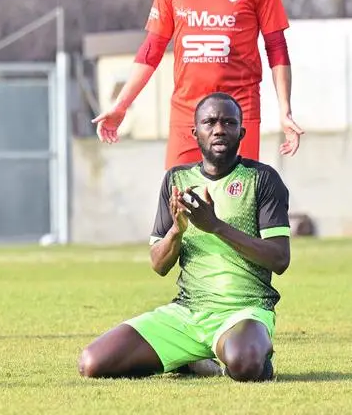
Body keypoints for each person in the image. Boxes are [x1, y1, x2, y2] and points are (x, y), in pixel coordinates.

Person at [78, 92, 291, 382]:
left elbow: (279, 259)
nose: (219, 129)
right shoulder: (175, 181)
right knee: (92, 363)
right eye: (210, 122)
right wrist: (176, 231)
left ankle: (238, 355)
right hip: (187, 313)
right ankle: (191, 358)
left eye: (229, 123)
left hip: (245, 312)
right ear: (195, 132)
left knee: (245, 364)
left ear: (241, 132)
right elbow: (158, 264)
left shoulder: (262, 179)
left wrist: (215, 226)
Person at [92, 0, 304, 168]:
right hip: (187, 113)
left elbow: (276, 47)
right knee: (182, 204)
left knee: (237, 205)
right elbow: (152, 49)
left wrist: (285, 112)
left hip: (239, 112)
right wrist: (121, 105)